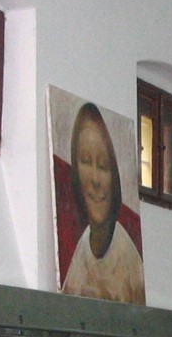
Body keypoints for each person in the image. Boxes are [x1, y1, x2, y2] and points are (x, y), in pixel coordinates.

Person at [59, 102, 145, 304]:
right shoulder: (83, 247)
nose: (96, 179)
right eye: (86, 161)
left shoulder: (126, 255)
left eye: (104, 166)